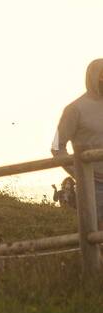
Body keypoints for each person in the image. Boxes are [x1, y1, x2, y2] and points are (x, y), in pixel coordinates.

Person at [51, 58, 103, 228]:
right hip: (93, 186)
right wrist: (80, 173)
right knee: (96, 237)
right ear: (93, 77)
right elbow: (57, 146)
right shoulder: (75, 109)